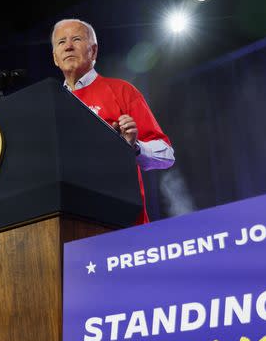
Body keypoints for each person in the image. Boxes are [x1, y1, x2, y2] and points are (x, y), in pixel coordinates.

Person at [51, 18, 174, 224]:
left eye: (77, 39)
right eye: (61, 42)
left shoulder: (121, 91)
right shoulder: (51, 104)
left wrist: (133, 147)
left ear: (94, 51)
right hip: (70, 227)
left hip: (122, 224)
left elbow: (167, 155)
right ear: (55, 57)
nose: (69, 46)